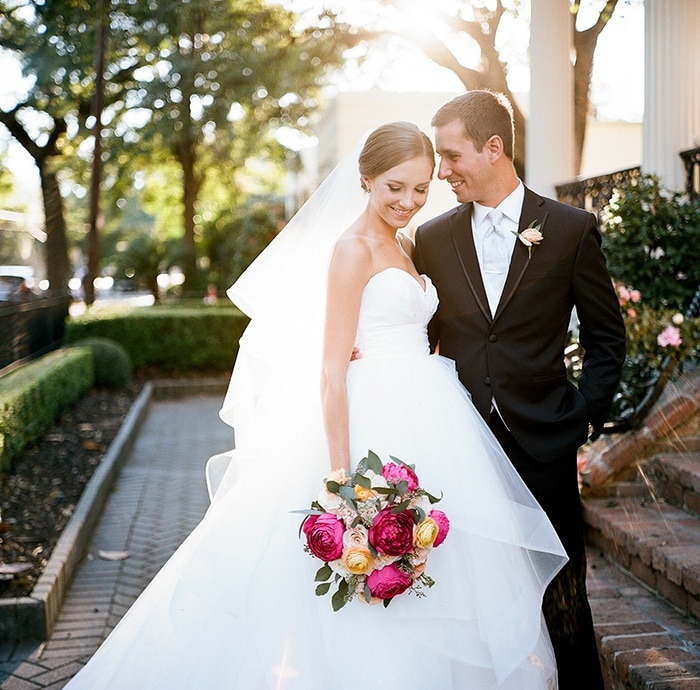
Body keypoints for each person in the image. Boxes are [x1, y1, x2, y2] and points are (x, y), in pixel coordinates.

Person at [63, 122, 567, 689]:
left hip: (430, 407)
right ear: (366, 179)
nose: (409, 201)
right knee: (369, 577)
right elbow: (331, 372)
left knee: (442, 568)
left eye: (422, 188)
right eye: (395, 187)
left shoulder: (406, 245)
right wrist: (341, 478)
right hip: (369, 417)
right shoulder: (350, 250)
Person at [412, 91, 627, 689]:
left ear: (494, 148)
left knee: (562, 598)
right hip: (462, 449)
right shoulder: (432, 238)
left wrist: (583, 417)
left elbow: (608, 339)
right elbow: (418, 337)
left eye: (451, 155)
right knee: (471, 594)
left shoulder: (568, 229)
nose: (441, 171)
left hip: (545, 444)